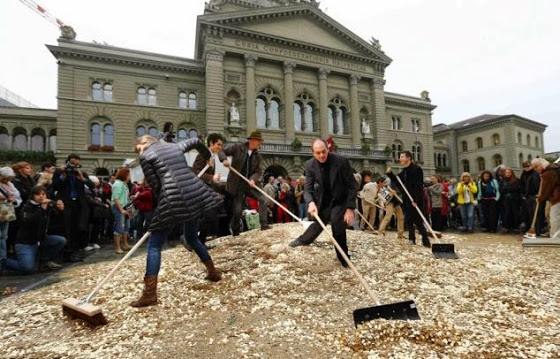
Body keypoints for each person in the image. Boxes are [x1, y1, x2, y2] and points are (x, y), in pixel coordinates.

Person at [130, 135, 222, 308]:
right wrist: (208, 156)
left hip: (174, 196)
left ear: (144, 143)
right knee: (192, 237)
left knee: (155, 244)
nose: (138, 151)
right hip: (195, 192)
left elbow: (156, 185)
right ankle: (213, 272)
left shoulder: (145, 156)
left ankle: (150, 294)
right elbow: (195, 141)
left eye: (138, 147)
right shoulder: (174, 147)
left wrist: (163, 206)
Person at [289, 138, 358, 268]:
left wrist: (349, 208)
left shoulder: (341, 162)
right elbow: (307, 189)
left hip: (340, 199)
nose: (321, 155)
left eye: (324, 152)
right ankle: (303, 240)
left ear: (328, 149)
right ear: (313, 153)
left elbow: (353, 185)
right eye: (318, 153)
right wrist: (310, 202)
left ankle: (343, 257)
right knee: (319, 222)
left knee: (338, 227)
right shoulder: (310, 165)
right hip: (324, 198)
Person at [219, 130, 271, 236]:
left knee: (263, 199)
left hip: (250, 184)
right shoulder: (238, 148)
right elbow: (221, 151)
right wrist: (224, 159)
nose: (260, 144)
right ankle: (236, 230)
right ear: (252, 140)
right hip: (237, 183)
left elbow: (258, 171)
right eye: (258, 141)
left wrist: (253, 179)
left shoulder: (258, 156)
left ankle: (264, 224)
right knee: (237, 209)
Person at [5, 186, 66, 274]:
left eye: (43, 194)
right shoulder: (26, 207)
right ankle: (4, 262)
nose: (41, 196)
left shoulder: (48, 206)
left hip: (40, 239)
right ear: (33, 196)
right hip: (25, 242)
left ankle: (45, 260)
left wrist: (61, 209)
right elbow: (29, 221)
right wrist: (42, 209)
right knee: (27, 268)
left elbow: (57, 220)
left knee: (60, 240)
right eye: (37, 194)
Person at [52, 154, 93, 262]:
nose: (74, 166)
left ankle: (75, 251)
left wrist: (83, 179)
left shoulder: (80, 173)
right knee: (66, 228)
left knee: (78, 228)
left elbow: (92, 185)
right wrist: (63, 175)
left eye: (76, 164)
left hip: (78, 204)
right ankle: (66, 253)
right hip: (66, 203)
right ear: (67, 162)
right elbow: (55, 186)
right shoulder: (60, 173)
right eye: (72, 163)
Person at [386, 151, 431, 247]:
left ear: (408, 158)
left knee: (418, 220)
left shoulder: (416, 169)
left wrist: (416, 200)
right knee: (409, 220)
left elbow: (418, 186)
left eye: (402, 157)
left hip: (414, 199)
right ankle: (411, 239)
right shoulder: (405, 171)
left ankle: (425, 240)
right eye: (400, 157)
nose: (400, 159)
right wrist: (390, 174)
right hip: (406, 199)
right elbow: (398, 182)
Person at [192, 133, 225, 242]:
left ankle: (200, 241)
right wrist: (212, 177)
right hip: (199, 190)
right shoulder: (203, 155)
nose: (220, 147)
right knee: (209, 215)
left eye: (221, 145)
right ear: (211, 143)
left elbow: (209, 179)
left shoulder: (212, 157)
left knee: (210, 215)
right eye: (218, 144)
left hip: (206, 191)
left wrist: (214, 190)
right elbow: (196, 173)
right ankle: (189, 238)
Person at [0, 167, 22, 271]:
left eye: (9, 178)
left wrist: (14, 200)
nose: (7, 181)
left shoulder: (11, 185)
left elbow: (18, 198)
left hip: (6, 213)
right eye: (5, 178)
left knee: (4, 236)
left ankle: (3, 259)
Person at [532, 158, 560, 238]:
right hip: (556, 197)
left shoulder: (548, 173)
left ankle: (555, 238)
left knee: (555, 218)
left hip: (557, 198)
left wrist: (540, 199)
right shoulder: (553, 169)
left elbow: (546, 189)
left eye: (536, 167)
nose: (535, 169)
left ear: (541, 164)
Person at [111, 168, 133, 254]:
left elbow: (121, 197)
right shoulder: (118, 184)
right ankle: (118, 247)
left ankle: (125, 244)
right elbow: (115, 198)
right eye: (129, 175)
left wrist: (129, 198)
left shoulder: (124, 184)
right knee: (119, 227)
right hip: (119, 207)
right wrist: (121, 210)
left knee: (126, 227)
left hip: (125, 207)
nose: (130, 176)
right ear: (125, 175)